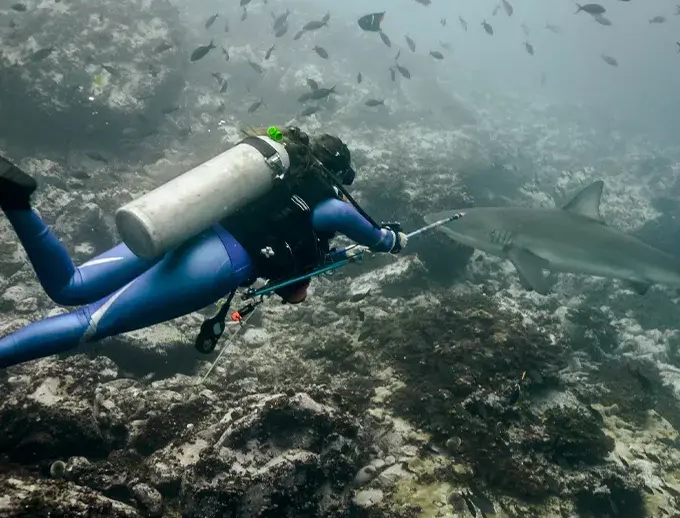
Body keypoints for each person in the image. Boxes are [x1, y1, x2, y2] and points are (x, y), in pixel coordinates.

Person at [0, 126, 406, 368]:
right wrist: (391, 240)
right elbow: (366, 232)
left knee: (71, 286)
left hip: (185, 225)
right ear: (334, 174)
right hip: (218, 263)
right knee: (91, 323)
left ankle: (17, 203)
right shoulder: (327, 204)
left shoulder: (271, 180)